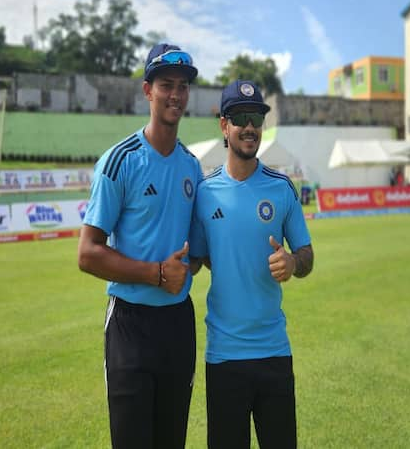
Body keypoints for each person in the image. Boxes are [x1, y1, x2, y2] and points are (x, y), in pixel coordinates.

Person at [77, 43, 202, 449]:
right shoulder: (120, 160)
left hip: (178, 324)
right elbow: (88, 253)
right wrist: (156, 274)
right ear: (147, 91)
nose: (176, 95)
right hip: (131, 325)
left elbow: (195, 252)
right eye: (166, 85)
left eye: (183, 87)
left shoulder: (191, 166)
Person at [189, 80, 315, 449]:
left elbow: (307, 255)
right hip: (224, 355)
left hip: (275, 351)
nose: (250, 127)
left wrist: (292, 262)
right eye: (240, 118)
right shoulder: (205, 193)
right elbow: (201, 257)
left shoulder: (281, 188)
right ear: (224, 126)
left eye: (257, 119)